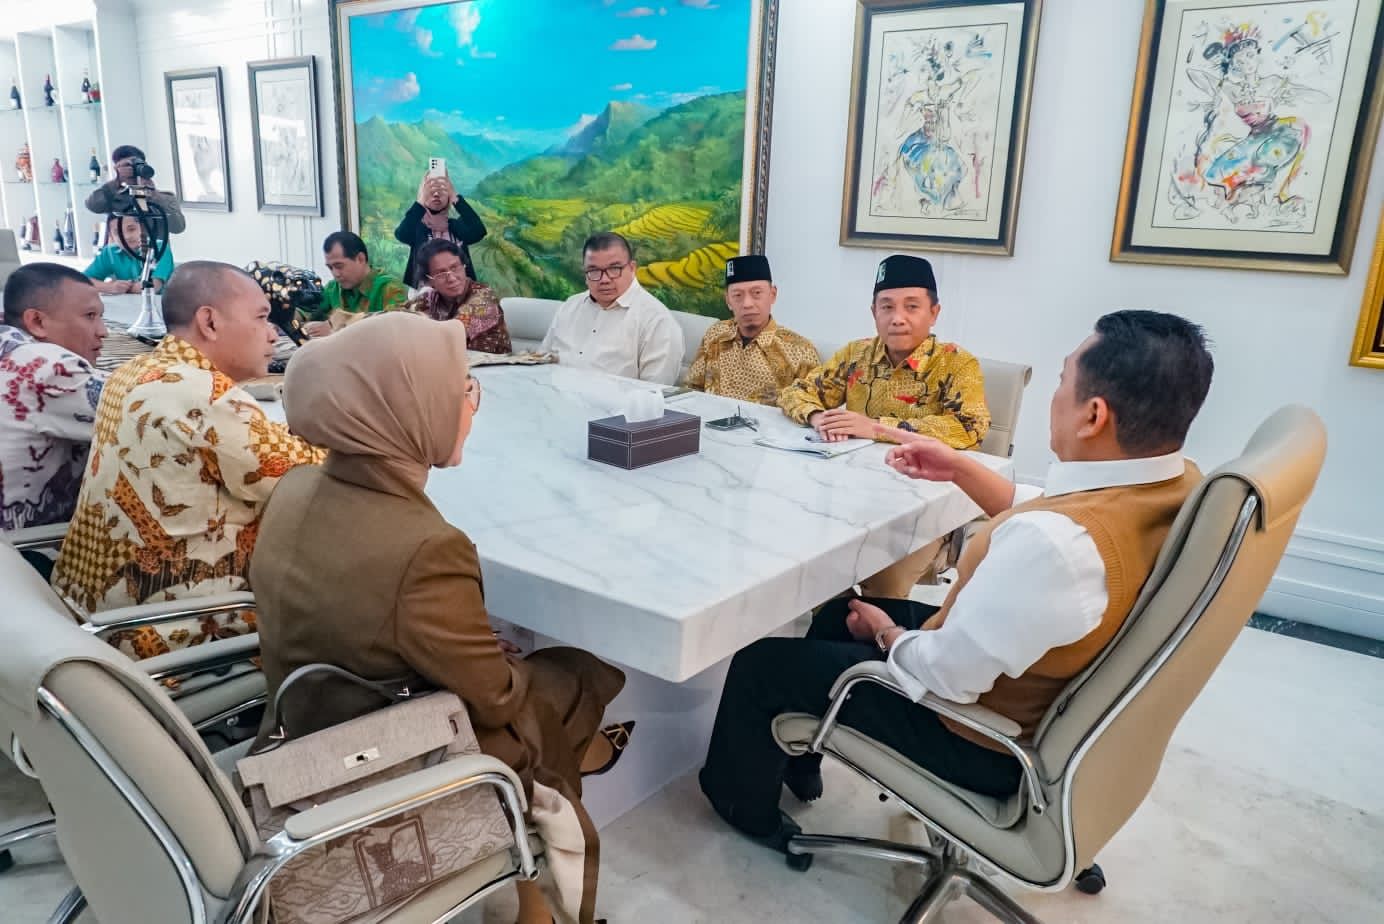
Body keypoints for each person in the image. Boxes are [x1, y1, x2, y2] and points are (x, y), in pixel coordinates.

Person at [699, 310, 1214, 857]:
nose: (1055, 395)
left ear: (1093, 415)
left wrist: (887, 633)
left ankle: (741, 807)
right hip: (1040, 683)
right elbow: (1049, 513)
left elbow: (945, 675)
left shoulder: (1054, 546)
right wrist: (960, 468)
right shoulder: (1171, 482)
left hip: (978, 734)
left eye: (1063, 381)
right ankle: (800, 762)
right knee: (834, 617)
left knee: (759, 664)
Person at [251, 312, 627, 924]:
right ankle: (542, 879)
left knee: (535, 686)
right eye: (461, 391)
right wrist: (487, 659)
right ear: (406, 408)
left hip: (306, 714)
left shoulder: (295, 486)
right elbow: (498, 701)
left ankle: (563, 782)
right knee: (573, 673)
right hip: (387, 751)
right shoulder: (427, 547)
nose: (472, 406)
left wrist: (466, 647)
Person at [50, 261, 325, 659]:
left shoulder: (134, 371)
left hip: (90, 616)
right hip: (171, 631)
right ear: (210, 322)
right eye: (263, 318)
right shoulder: (203, 395)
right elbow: (311, 478)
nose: (273, 333)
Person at [779, 254, 990, 597]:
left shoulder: (956, 363)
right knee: (805, 561)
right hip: (851, 494)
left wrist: (877, 428)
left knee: (882, 588)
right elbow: (796, 392)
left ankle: (884, 642)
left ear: (934, 312)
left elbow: (969, 428)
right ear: (874, 312)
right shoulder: (856, 354)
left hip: (922, 509)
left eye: (912, 307)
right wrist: (819, 416)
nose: (898, 319)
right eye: (887, 307)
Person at [1, 265, 108, 576]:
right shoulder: (46, 368)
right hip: (27, 564)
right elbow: (158, 412)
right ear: (37, 321)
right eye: (90, 316)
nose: (103, 330)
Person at [542, 232, 684, 385]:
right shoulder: (570, 306)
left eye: (614, 269)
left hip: (613, 408)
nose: (604, 280)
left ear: (632, 268)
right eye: (593, 271)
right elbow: (539, 363)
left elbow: (653, 397)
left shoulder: (657, 321)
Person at [684, 254, 820, 405]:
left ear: (772, 295)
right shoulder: (716, 334)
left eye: (756, 293)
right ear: (728, 300)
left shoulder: (799, 350)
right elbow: (691, 389)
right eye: (738, 295)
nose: (747, 303)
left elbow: (810, 412)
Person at [402, 238, 512, 353]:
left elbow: (454, 332)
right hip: (451, 363)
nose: (452, 278)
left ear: (464, 267)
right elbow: (394, 315)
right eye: (441, 273)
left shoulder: (483, 297)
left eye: (455, 268)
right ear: (430, 281)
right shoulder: (429, 298)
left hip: (494, 366)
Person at [303, 231, 409, 337]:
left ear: (360, 259)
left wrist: (338, 326)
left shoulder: (389, 287)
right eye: (330, 268)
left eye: (339, 266)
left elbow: (396, 326)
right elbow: (308, 311)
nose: (335, 274)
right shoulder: (333, 288)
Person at [395, 171, 487, 288]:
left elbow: (479, 231)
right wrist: (421, 201)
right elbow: (402, 234)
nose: (436, 194)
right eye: (431, 190)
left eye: (442, 190)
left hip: (459, 292)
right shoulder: (417, 227)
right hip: (424, 294)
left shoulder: (455, 226)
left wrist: (455, 197)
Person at [83, 144, 187, 235]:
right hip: (123, 254)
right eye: (127, 166)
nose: (132, 170)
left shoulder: (165, 197)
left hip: (156, 254)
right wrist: (116, 181)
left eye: (136, 165)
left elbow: (178, 227)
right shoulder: (114, 197)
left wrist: (155, 197)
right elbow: (92, 205)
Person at [84, 214, 175, 294]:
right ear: (111, 236)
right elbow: (81, 281)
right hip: (128, 304)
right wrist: (110, 287)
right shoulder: (109, 252)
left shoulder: (159, 247)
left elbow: (153, 287)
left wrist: (122, 288)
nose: (126, 237)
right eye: (118, 233)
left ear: (142, 228)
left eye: (131, 229)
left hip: (160, 305)